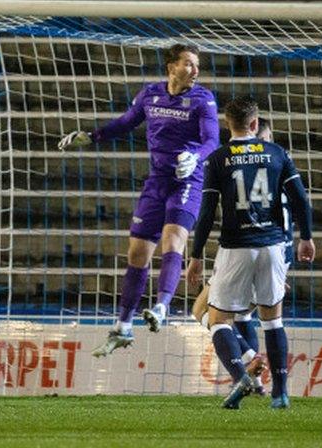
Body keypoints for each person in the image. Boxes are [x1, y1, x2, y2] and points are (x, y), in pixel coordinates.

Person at [58, 44, 219, 357]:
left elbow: (212, 139)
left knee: (173, 241)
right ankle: (123, 327)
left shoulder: (203, 99)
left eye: (197, 65)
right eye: (189, 63)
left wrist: (195, 157)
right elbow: (126, 122)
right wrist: (92, 136)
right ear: (171, 66)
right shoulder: (150, 94)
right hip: (157, 182)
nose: (195, 70)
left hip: (187, 181)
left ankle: (161, 307)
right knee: (136, 253)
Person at [186, 96, 314, 410]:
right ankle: (280, 393)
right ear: (255, 124)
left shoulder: (218, 159)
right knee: (273, 321)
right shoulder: (277, 153)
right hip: (272, 245)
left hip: (236, 247)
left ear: (227, 124)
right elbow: (300, 201)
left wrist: (196, 255)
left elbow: (205, 213)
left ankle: (241, 374)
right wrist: (306, 238)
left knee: (216, 319)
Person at [190, 118, 290, 395]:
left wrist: (196, 254)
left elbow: (209, 211)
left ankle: (247, 367)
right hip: (270, 254)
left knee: (205, 311)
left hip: (243, 251)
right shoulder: (275, 166)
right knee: (242, 317)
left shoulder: (248, 165)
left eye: (265, 138)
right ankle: (260, 381)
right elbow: (290, 221)